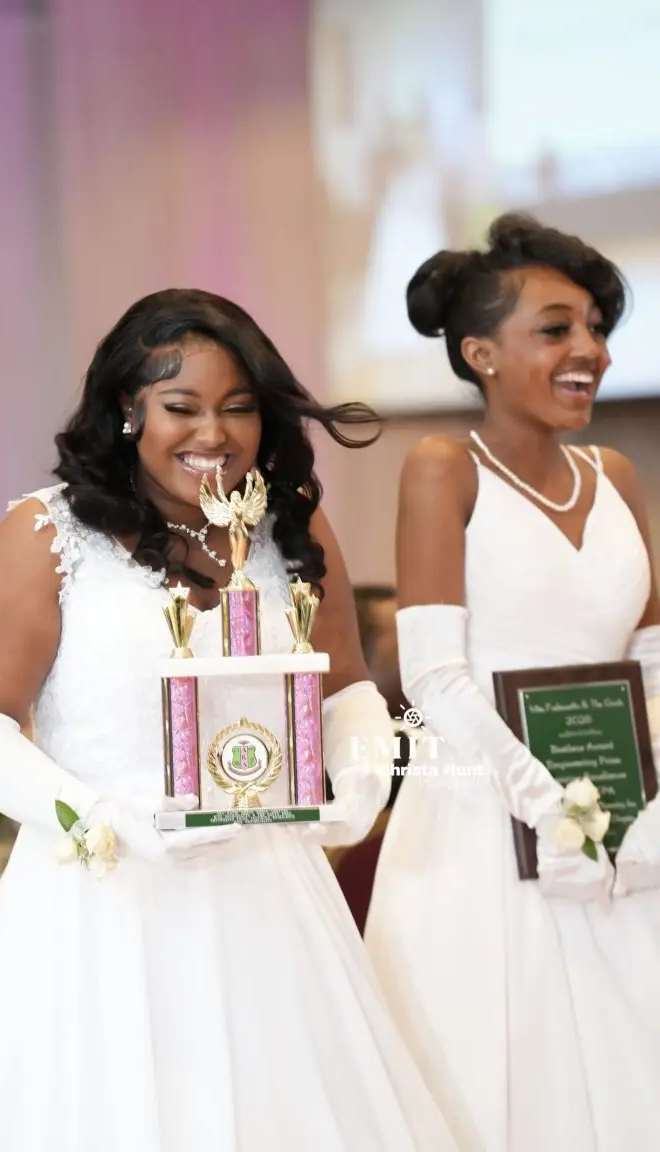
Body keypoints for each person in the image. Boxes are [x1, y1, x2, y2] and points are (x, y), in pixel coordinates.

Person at [0, 290, 458, 1151]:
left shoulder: (288, 523)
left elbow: (347, 687)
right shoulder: (47, 534)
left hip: (269, 902)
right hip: (102, 901)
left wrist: (359, 776)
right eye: (182, 406)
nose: (214, 433)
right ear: (129, 409)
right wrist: (102, 820)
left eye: (238, 407)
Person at [365, 215, 660, 1151]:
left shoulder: (617, 475)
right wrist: (548, 806)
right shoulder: (443, 468)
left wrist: (652, 803)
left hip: (624, 823)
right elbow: (433, 676)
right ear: (480, 353)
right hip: (485, 820)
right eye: (556, 329)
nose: (590, 351)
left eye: (597, 330)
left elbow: (652, 657)